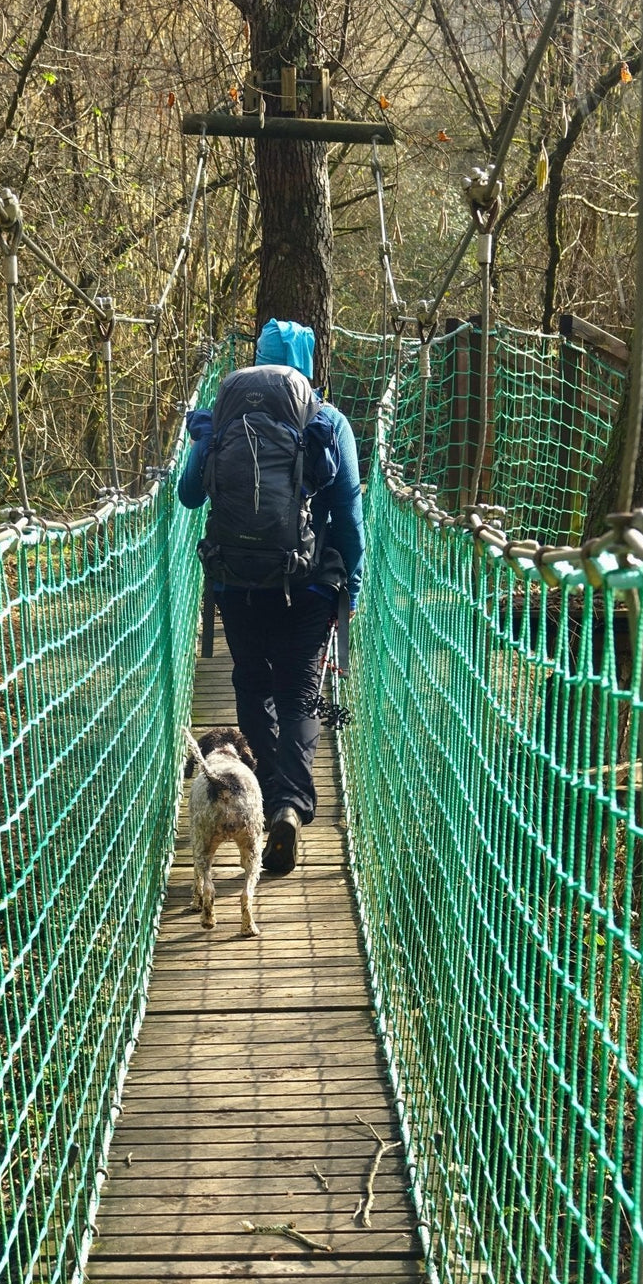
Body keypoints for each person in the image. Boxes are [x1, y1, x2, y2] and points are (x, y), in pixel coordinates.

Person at [178, 318, 364, 875]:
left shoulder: (223, 418)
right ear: (309, 365)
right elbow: (350, 517)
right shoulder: (327, 421)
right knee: (301, 694)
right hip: (306, 585)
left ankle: (267, 799)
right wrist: (349, 587)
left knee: (253, 685)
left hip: (237, 582)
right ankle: (288, 804)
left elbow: (189, 495)